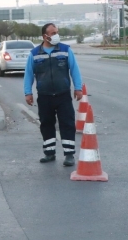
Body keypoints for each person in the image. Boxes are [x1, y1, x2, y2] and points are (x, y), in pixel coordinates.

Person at [23, 22, 83, 166]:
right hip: (44, 95)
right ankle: (49, 153)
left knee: (67, 124)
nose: (56, 35)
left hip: (63, 95)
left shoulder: (65, 50)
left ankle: (69, 155)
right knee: (46, 124)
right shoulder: (35, 54)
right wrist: (28, 92)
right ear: (45, 36)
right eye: (53, 33)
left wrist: (78, 88)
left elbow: (74, 70)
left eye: (57, 32)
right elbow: (29, 74)